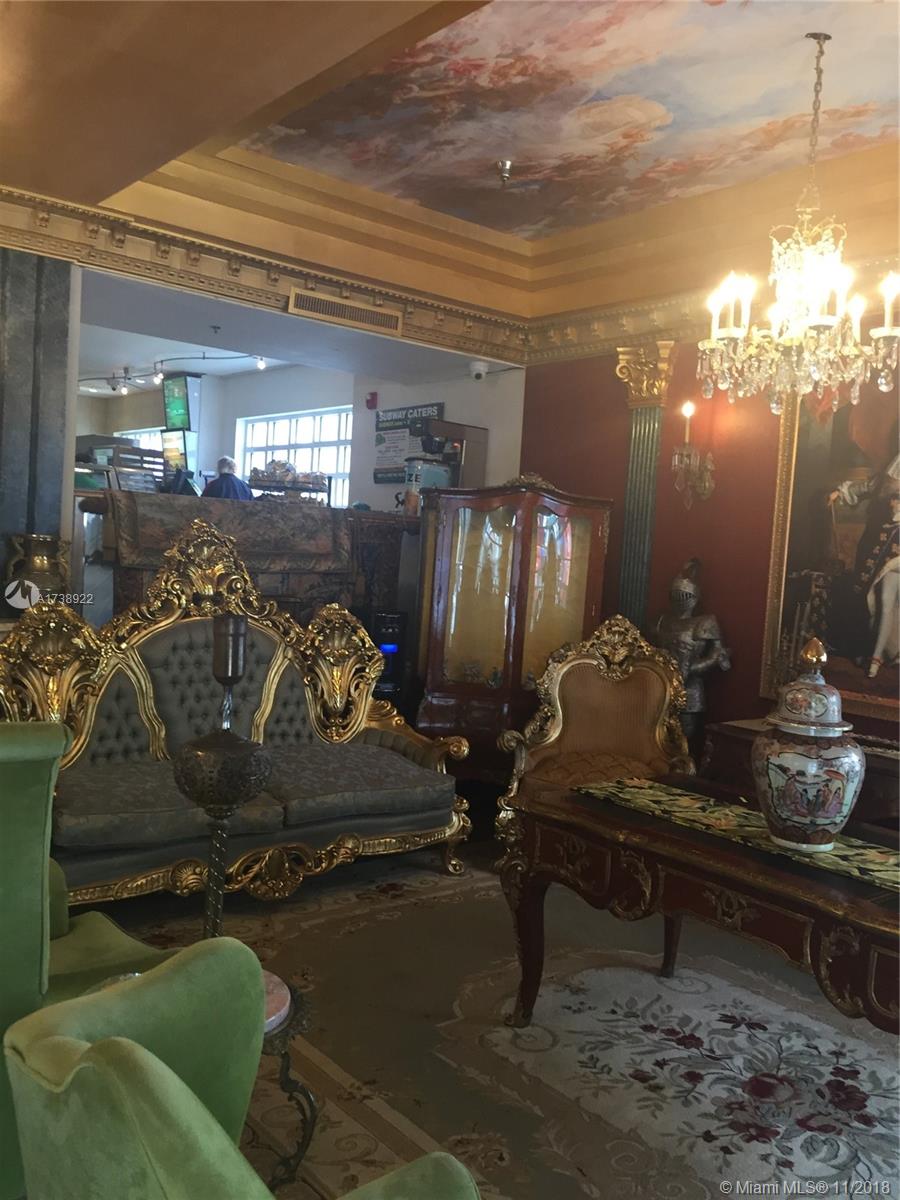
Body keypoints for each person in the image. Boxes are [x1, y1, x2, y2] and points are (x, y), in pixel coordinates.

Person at [827, 453, 900, 678]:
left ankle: (882, 653)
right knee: (869, 594)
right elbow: (866, 487)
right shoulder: (887, 479)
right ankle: (867, 650)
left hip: (896, 549)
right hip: (880, 543)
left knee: (888, 600)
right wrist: (840, 493)